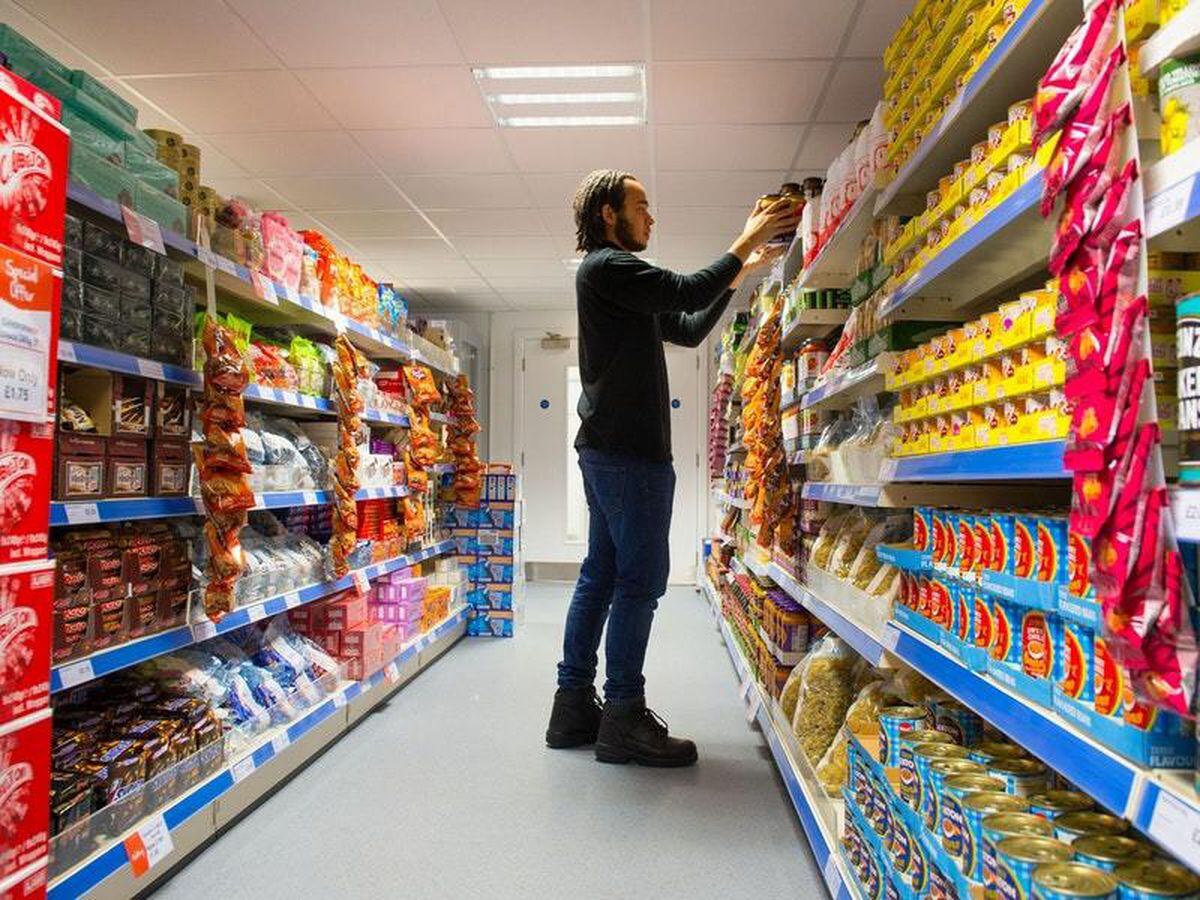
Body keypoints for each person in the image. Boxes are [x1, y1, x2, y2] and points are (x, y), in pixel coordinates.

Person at [545, 169, 800, 767]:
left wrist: (737, 276)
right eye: (641, 206)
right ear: (608, 214)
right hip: (631, 455)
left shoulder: (618, 286)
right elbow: (684, 288)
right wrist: (742, 240)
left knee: (601, 575)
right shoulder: (609, 266)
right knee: (639, 583)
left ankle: (574, 704)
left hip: (611, 449)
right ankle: (624, 716)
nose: (650, 217)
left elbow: (685, 327)